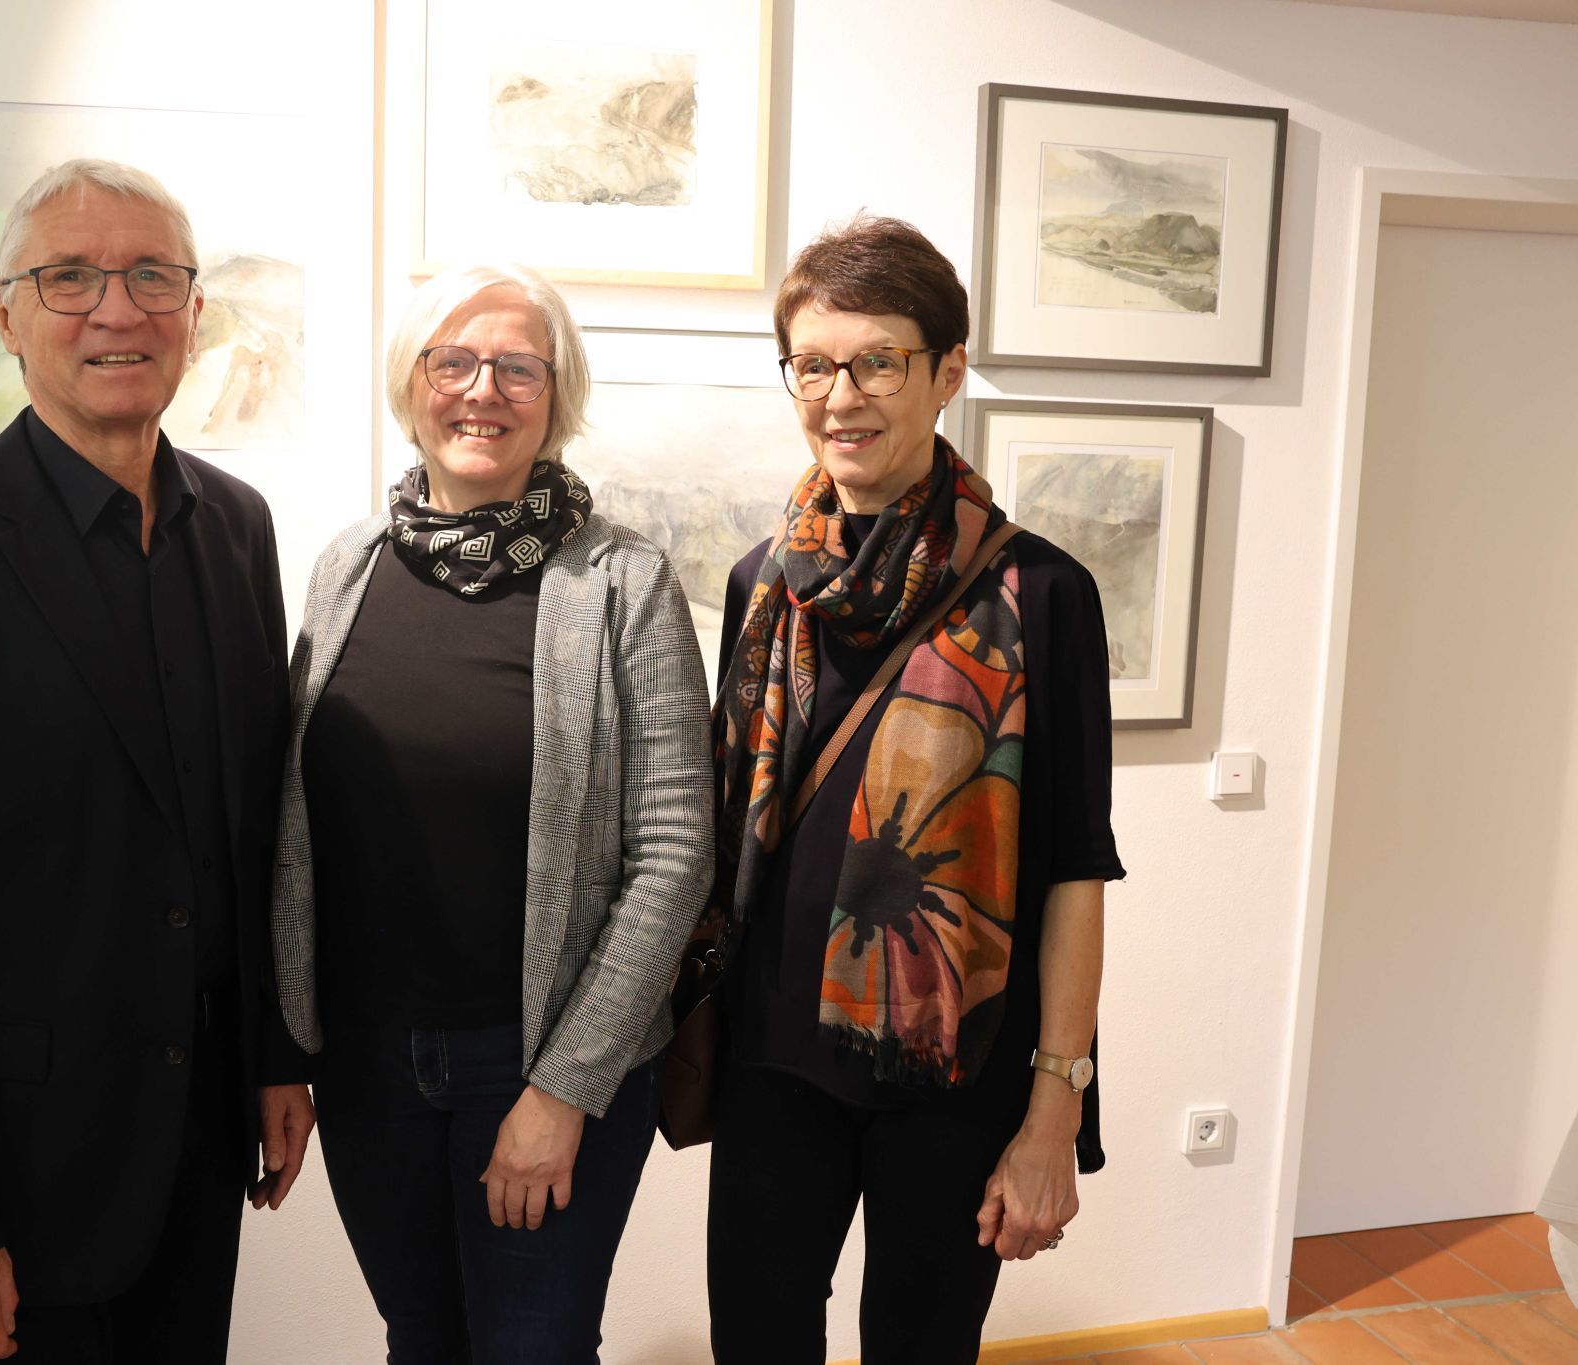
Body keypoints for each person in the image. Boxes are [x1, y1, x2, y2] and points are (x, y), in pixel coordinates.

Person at [0, 159, 313, 1365]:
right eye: (70, 277)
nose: (117, 309)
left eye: (152, 275)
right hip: (13, 1185)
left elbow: (244, 832)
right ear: (6, 315)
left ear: (194, 311)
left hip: (196, 1155)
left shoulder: (235, 529)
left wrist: (276, 1056)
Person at [270, 263, 712, 1363]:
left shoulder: (622, 581)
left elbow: (672, 854)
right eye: (453, 361)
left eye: (517, 367)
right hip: (368, 1063)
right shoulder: (345, 568)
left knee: (534, 1345)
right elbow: (291, 833)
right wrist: (283, 1045)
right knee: (419, 1337)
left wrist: (561, 1088)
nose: (483, 390)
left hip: (537, 1056)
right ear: (410, 383)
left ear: (554, 397)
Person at [704, 215, 1126, 1363]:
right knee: (754, 1340)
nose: (841, 395)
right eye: (812, 364)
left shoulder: (1043, 593)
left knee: (919, 1347)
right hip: (771, 1065)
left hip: (956, 1073)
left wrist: (1055, 1110)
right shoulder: (762, 583)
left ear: (945, 372)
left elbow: (1075, 869)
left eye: (877, 360)